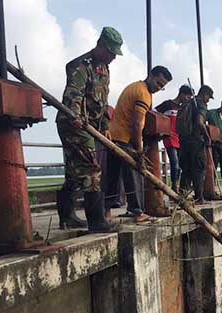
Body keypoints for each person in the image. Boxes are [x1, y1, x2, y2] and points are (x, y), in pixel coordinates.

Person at [56, 26, 123, 232]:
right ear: (100, 45)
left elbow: (102, 101)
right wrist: (75, 114)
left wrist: (104, 126)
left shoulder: (104, 69)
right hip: (74, 124)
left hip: (91, 125)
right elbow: (73, 94)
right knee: (91, 169)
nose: (113, 57)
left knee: (75, 173)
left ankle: (66, 217)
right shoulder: (81, 66)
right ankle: (97, 221)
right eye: (111, 52)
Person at [109, 65, 173, 222]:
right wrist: (139, 152)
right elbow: (137, 124)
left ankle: (106, 212)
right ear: (150, 75)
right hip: (124, 138)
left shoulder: (134, 86)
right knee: (135, 174)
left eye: (162, 87)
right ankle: (137, 211)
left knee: (113, 176)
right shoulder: (144, 93)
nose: (158, 88)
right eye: (158, 83)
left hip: (114, 136)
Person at [178, 85, 214, 204]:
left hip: (184, 140)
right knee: (199, 168)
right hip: (196, 141)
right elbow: (199, 122)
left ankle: (182, 196)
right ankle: (199, 197)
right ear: (204, 94)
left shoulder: (188, 103)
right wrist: (207, 137)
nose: (208, 100)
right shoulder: (201, 104)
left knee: (186, 169)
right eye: (209, 97)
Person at [156, 85, 193, 190]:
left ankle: (181, 187)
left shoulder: (184, 108)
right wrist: (162, 129)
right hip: (169, 137)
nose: (188, 99)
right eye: (187, 96)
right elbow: (155, 112)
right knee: (174, 162)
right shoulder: (168, 104)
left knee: (182, 164)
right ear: (182, 94)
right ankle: (174, 186)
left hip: (180, 138)